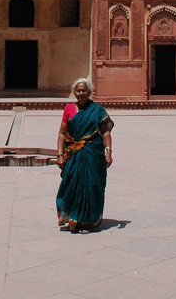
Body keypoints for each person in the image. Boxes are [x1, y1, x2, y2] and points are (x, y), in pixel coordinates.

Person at [56, 78, 113, 233]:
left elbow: (106, 132)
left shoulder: (97, 109)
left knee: (92, 184)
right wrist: (60, 154)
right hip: (74, 153)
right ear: (74, 92)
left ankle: (87, 221)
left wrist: (108, 152)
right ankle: (74, 219)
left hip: (93, 152)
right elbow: (62, 133)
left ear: (89, 92)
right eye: (78, 90)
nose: (81, 93)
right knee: (71, 184)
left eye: (84, 90)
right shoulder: (68, 109)